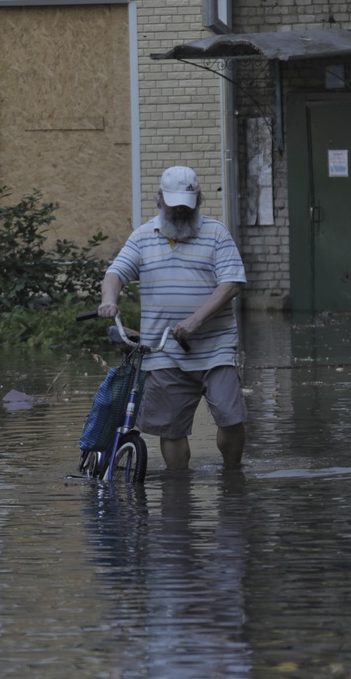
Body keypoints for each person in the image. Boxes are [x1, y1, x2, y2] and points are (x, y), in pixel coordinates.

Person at [98, 166, 247, 471]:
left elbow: (231, 284)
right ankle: (179, 486)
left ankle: (233, 474)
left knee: (230, 417)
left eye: (186, 204)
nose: (179, 210)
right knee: (171, 427)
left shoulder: (216, 233)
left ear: (198, 200)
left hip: (215, 347)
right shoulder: (142, 237)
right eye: (173, 203)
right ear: (160, 200)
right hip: (163, 350)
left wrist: (195, 322)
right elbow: (115, 272)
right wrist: (109, 300)